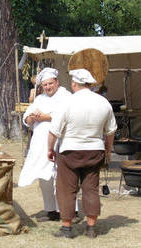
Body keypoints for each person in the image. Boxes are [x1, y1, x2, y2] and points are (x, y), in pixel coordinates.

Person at [48, 69, 117, 238]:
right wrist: (108, 149)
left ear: (74, 84)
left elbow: (54, 131)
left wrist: (49, 149)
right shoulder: (104, 103)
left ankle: (66, 228)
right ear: (89, 84)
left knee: (66, 189)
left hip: (70, 151)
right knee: (91, 189)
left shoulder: (67, 102)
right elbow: (111, 131)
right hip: (95, 150)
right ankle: (91, 228)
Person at [18, 68, 81, 222]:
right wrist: (30, 119)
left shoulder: (66, 96)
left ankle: (71, 211)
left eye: (50, 83)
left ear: (57, 82)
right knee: (44, 177)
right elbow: (27, 117)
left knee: (63, 177)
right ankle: (51, 210)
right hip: (40, 143)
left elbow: (68, 116)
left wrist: (45, 117)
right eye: (45, 85)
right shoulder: (39, 99)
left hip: (60, 141)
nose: (48, 87)